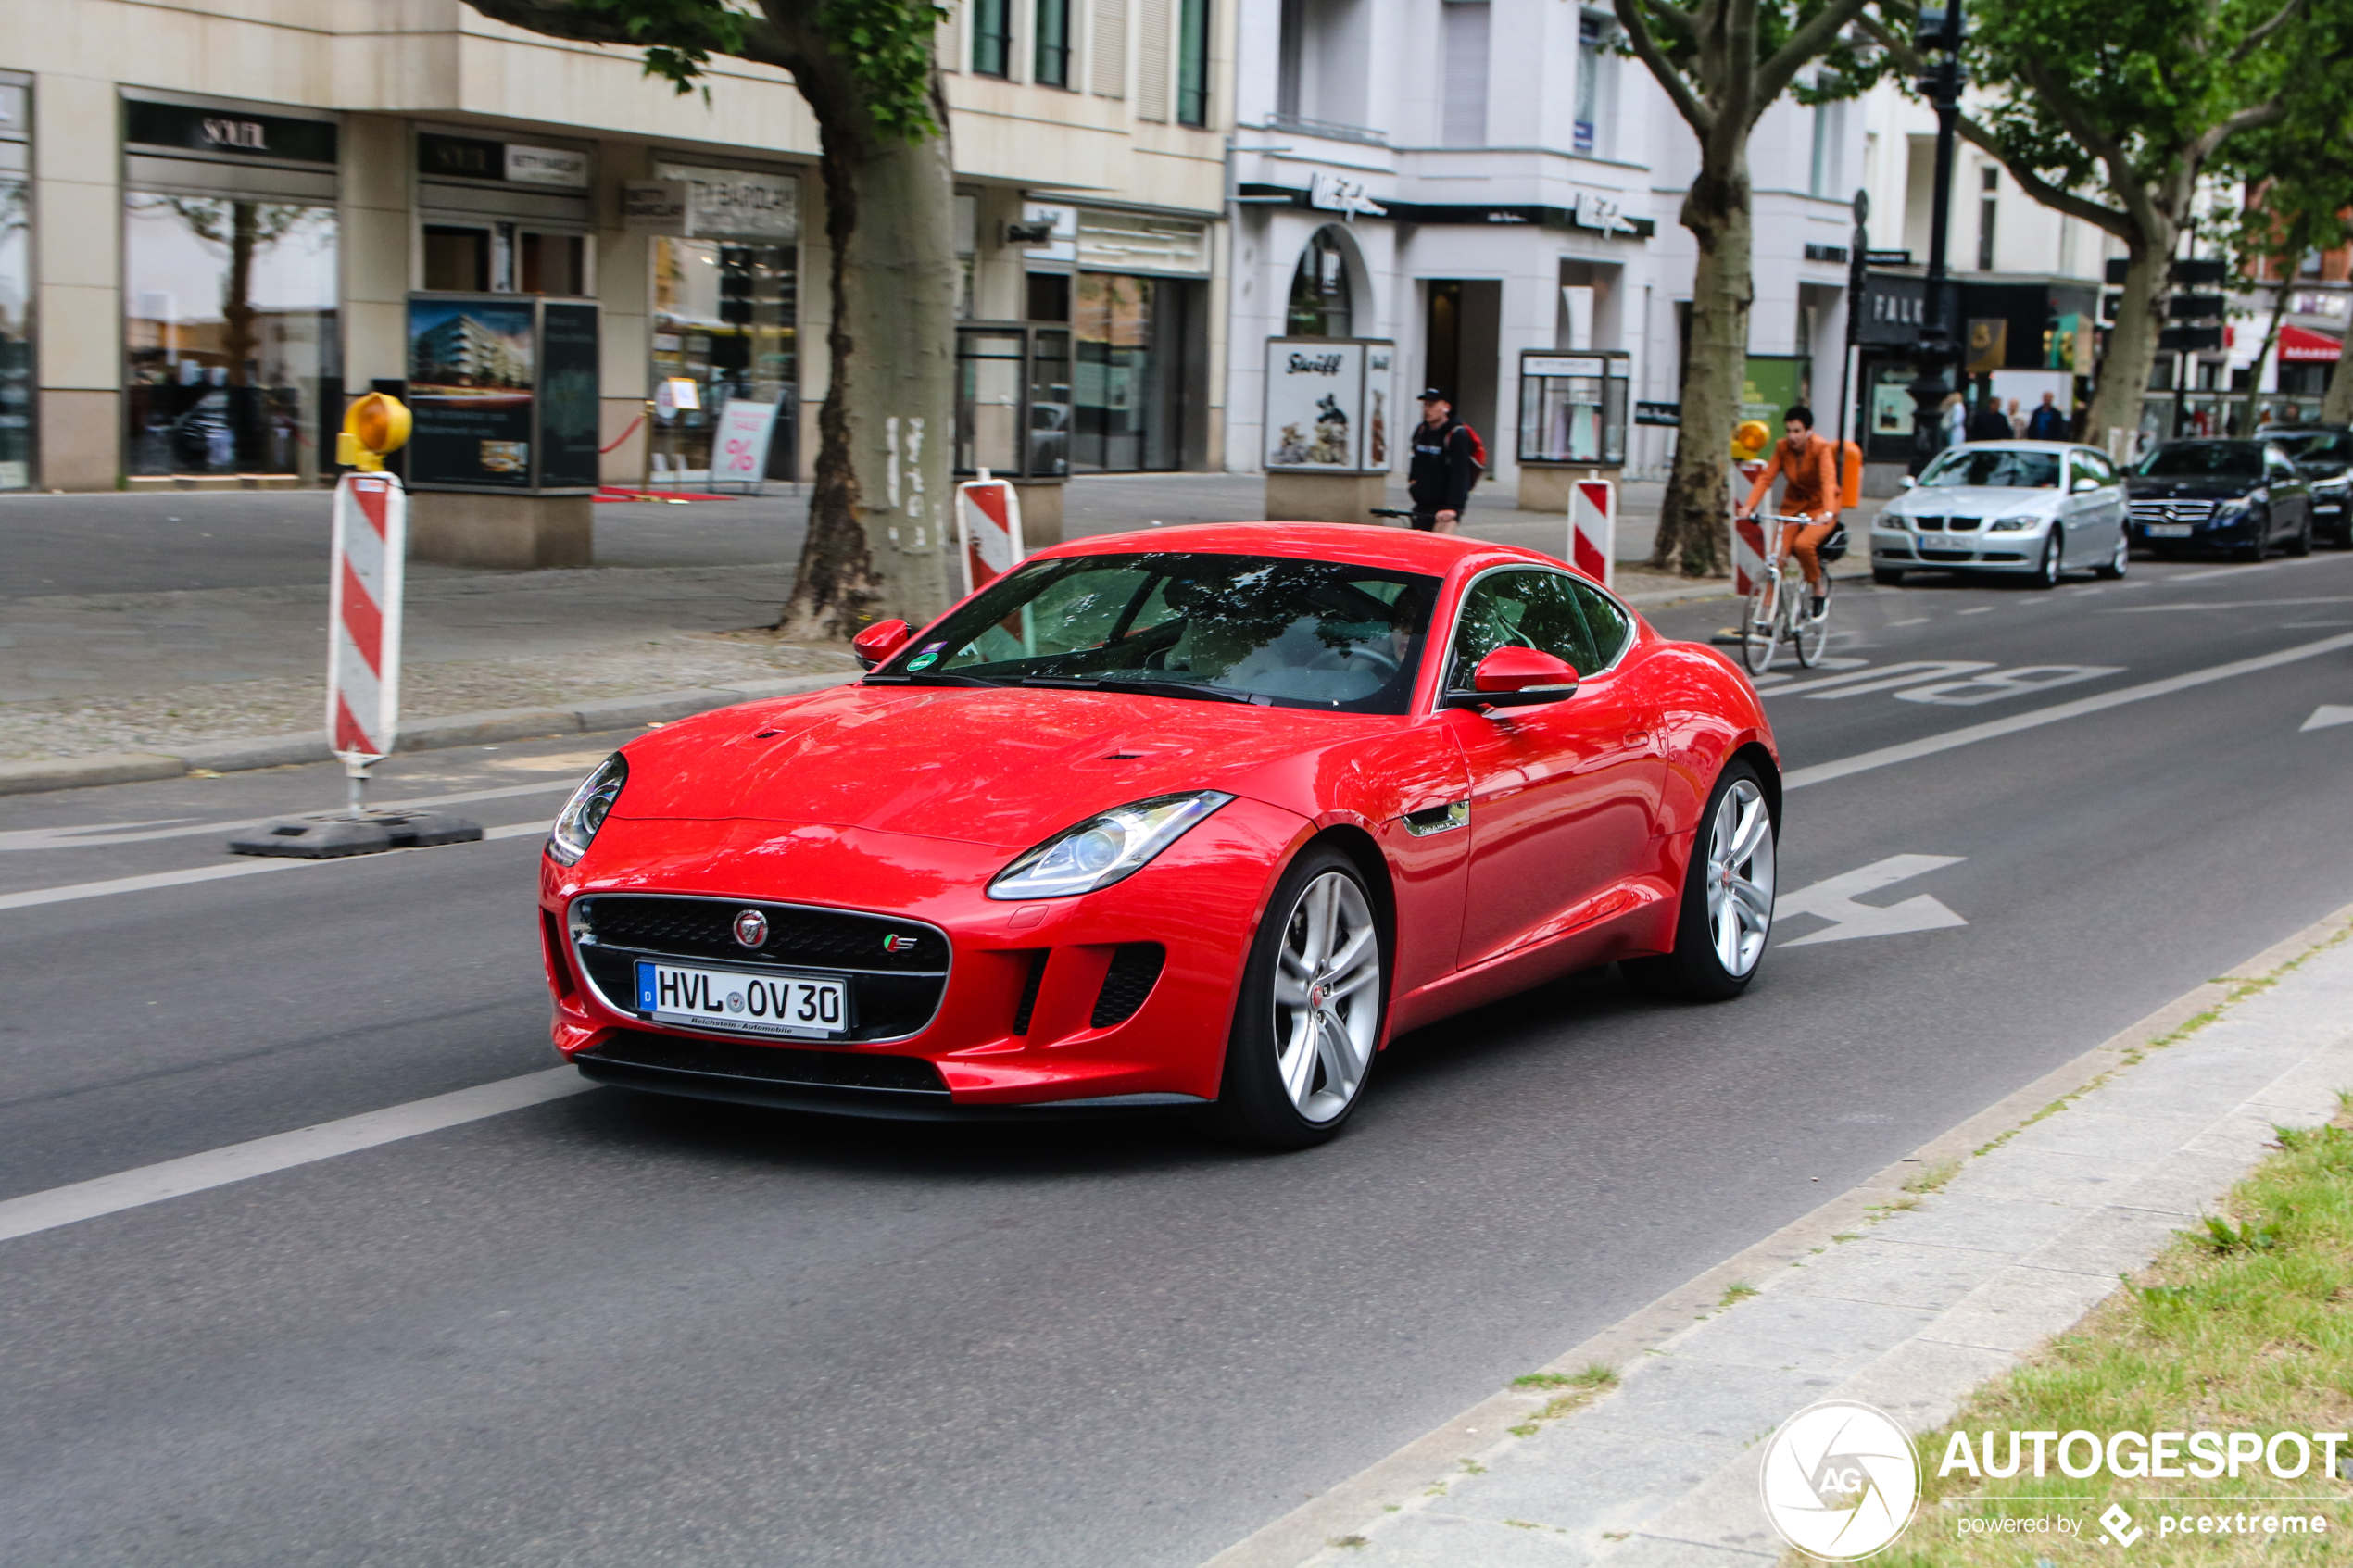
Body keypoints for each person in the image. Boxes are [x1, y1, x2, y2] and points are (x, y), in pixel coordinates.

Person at [1739, 405, 1840, 620]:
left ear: (1808, 431)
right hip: (1792, 508)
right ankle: (1768, 610)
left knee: (1804, 545)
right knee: (1776, 557)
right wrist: (1749, 506)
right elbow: (1766, 477)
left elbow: (1828, 480)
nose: (1792, 436)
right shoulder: (1783, 447)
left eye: (1797, 431)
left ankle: (1818, 586)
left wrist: (1828, 512)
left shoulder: (1821, 448)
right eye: (1789, 431)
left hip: (1820, 508)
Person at [1407, 388, 1480, 533]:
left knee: (1436, 550)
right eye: (1425, 405)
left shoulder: (1456, 435)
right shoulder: (1422, 430)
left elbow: (1461, 474)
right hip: (1422, 504)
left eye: (1432, 405)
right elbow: (1416, 460)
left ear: (1446, 407)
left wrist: (1453, 507)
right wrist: (1413, 482)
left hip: (1445, 508)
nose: (1427, 409)